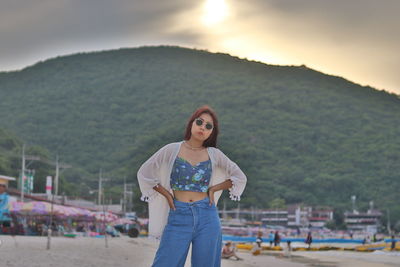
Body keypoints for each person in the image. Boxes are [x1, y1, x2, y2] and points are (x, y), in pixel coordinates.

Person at [137, 105, 247, 267]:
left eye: (208, 126)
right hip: (178, 214)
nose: (203, 127)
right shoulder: (171, 149)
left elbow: (239, 177)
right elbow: (144, 172)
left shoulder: (214, 154)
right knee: (165, 262)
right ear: (192, 123)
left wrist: (214, 189)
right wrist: (167, 194)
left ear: (211, 132)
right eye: (200, 122)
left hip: (207, 216)